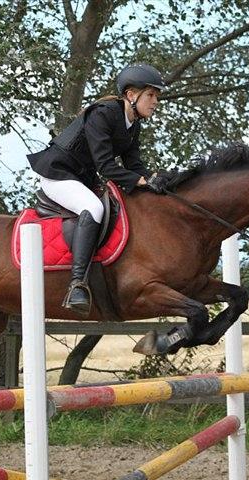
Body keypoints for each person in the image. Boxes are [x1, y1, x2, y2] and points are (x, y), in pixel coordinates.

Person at [26, 63, 171, 316]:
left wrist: (157, 179)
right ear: (131, 95)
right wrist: (140, 181)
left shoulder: (132, 124)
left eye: (157, 96)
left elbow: (134, 165)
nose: (156, 101)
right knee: (92, 207)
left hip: (80, 177)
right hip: (58, 173)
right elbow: (106, 165)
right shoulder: (103, 114)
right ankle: (77, 284)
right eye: (151, 94)